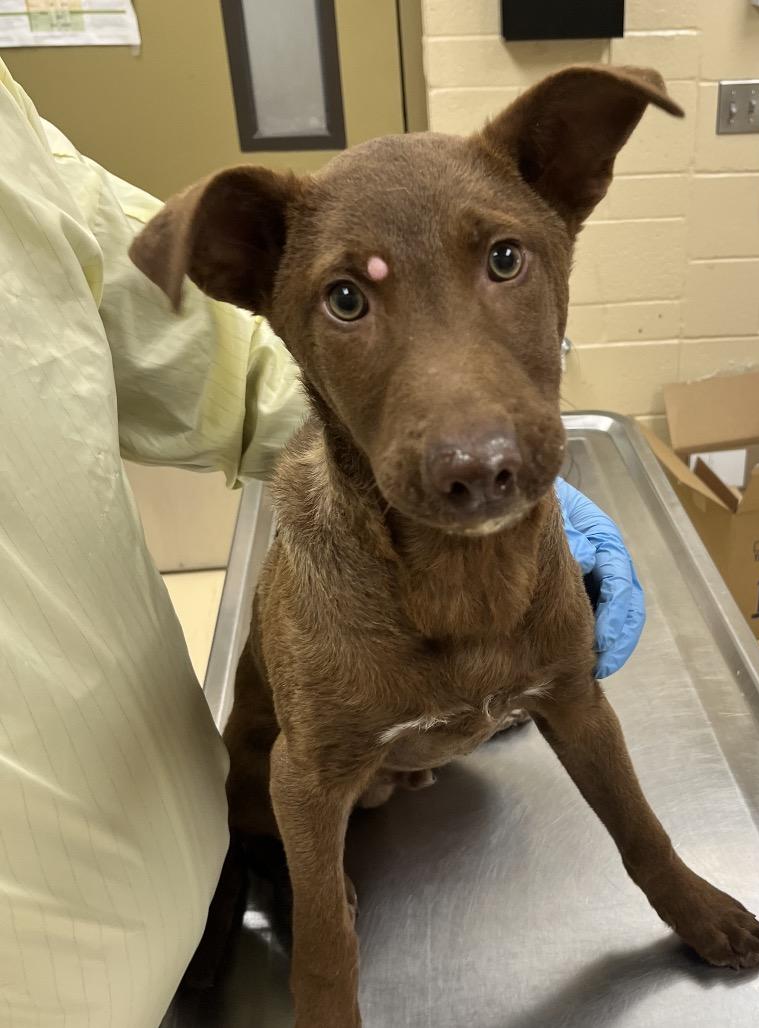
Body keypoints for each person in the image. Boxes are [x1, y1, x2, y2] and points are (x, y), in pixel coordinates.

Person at [0, 58, 645, 1026]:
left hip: (168, 807)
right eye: (348, 297)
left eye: (502, 260)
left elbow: (151, 319)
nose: (477, 454)